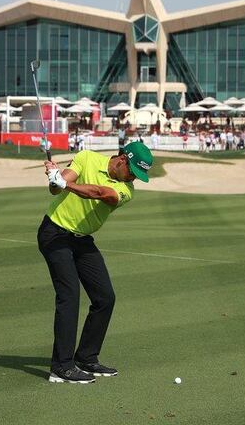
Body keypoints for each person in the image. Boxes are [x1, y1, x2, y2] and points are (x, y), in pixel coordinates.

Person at [39, 142, 154, 384]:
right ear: (122, 159)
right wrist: (55, 177)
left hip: (82, 240)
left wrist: (64, 183)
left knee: (105, 298)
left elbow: (102, 194)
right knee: (69, 296)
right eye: (132, 171)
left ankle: (86, 357)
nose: (133, 178)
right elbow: (55, 190)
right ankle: (61, 366)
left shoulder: (126, 189)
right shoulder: (87, 157)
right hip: (55, 234)